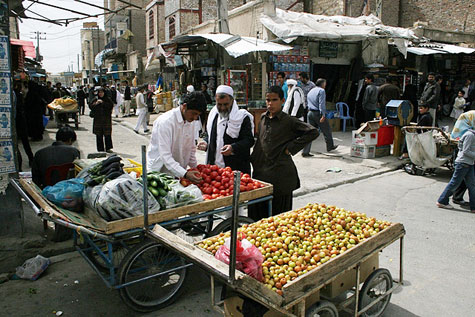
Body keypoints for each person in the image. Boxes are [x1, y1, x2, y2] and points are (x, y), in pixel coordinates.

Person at [248, 86, 318, 221]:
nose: (270, 103)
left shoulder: (289, 121)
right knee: (257, 218)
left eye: (274, 100)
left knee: (279, 219)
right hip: (261, 174)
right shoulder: (263, 118)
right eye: (268, 100)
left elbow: (313, 132)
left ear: (282, 100)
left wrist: (291, 148)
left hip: (281, 176)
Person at [146, 91, 207, 183]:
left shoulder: (191, 122)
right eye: (194, 113)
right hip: (159, 172)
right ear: (184, 106)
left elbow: (191, 150)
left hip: (179, 172)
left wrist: (196, 169)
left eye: (198, 115)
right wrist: (185, 174)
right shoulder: (165, 122)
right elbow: (165, 156)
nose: (195, 118)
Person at [197, 85, 254, 174]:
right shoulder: (213, 115)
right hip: (215, 169)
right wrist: (206, 142)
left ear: (232, 101)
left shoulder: (242, 117)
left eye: (226, 104)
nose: (222, 108)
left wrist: (233, 148)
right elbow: (211, 134)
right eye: (219, 104)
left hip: (235, 168)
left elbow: (249, 140)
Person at [437, 111, 475, 212]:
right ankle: (442, 200)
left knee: (472, 184)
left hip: (469, 163)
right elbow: (466, 151)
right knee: (455, 183)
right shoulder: (470, 135)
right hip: (463, 163)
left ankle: (473, 207)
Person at [302, 79, 338, 156]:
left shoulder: (311, 91)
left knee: (310, 133)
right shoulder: (321, 91)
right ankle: (330, 146)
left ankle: (305, 151)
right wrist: (323, 115)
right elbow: (322, 104)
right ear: (322, 84)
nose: (325, 85)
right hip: (317, 113)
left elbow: (307, 102)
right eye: (325, 84)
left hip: (310, 112)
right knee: (327, 130)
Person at [90, 88, 114, 152]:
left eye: (102, 92)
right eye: (99, 92)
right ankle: (100, 149)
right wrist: (96, 103)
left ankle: (108, 148)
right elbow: (91, 106)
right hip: (98, 120)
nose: (100, 94)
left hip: (106, 120)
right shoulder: (95, 99)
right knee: (99, 135)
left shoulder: (108, 100)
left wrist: (103, 103)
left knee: (107, 134)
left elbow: (110, 106)